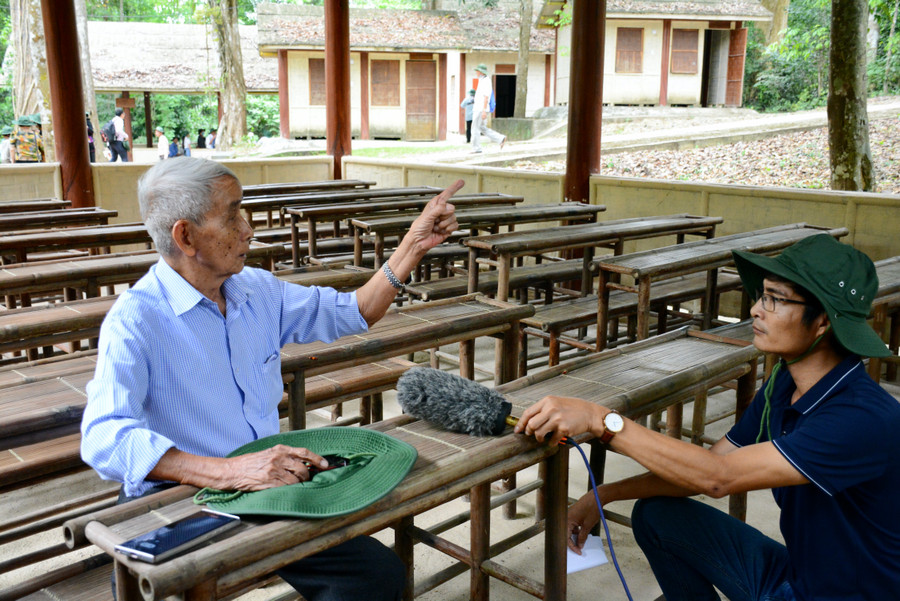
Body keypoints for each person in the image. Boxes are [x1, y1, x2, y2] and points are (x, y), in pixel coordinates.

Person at [80, 157, 462, 601]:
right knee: (151, 589)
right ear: (185, 236)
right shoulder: (136, 318)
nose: (248, 229)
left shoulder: (256, 290)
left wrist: (414, 245)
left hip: (261, 488)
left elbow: (357, 310)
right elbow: (104, 436)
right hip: (179, 495)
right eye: (232, 215)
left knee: (376, 577)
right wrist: (227, 471)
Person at [515, 234, 900, 601]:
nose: (755, 310)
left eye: (775, 300)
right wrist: (600, 496)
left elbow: (720, 479)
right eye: (760, 295)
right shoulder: (785, 382)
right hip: (798, 575)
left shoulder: (861, 418)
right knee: (657, 515)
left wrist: (601, 420)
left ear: (823, 322)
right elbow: (709, 465)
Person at [471, 64, 506, 154]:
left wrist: (483, 110)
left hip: (480, 109)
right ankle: (500, 138)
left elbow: (486, 97)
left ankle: (476, 148)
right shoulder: (482, 80)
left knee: (475, 128)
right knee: (482, 127)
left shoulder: (486, 81)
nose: (476, 72)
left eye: (477, 70)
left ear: (481, 72)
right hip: (480, 108)